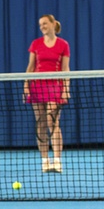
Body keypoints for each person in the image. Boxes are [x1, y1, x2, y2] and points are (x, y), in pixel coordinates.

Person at [23, 14, 70, 173]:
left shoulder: (63, 44)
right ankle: (45, 161)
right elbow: (30, 67)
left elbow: (65, 69)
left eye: (44, 23)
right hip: (37, 86)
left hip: (55, 86)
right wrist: (26, 86)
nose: (42, 26)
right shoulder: (35, 44)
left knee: (53, 122)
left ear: (52, 24)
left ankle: (57, 161)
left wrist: (66, 89)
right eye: (40, 24)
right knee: (41, 123)